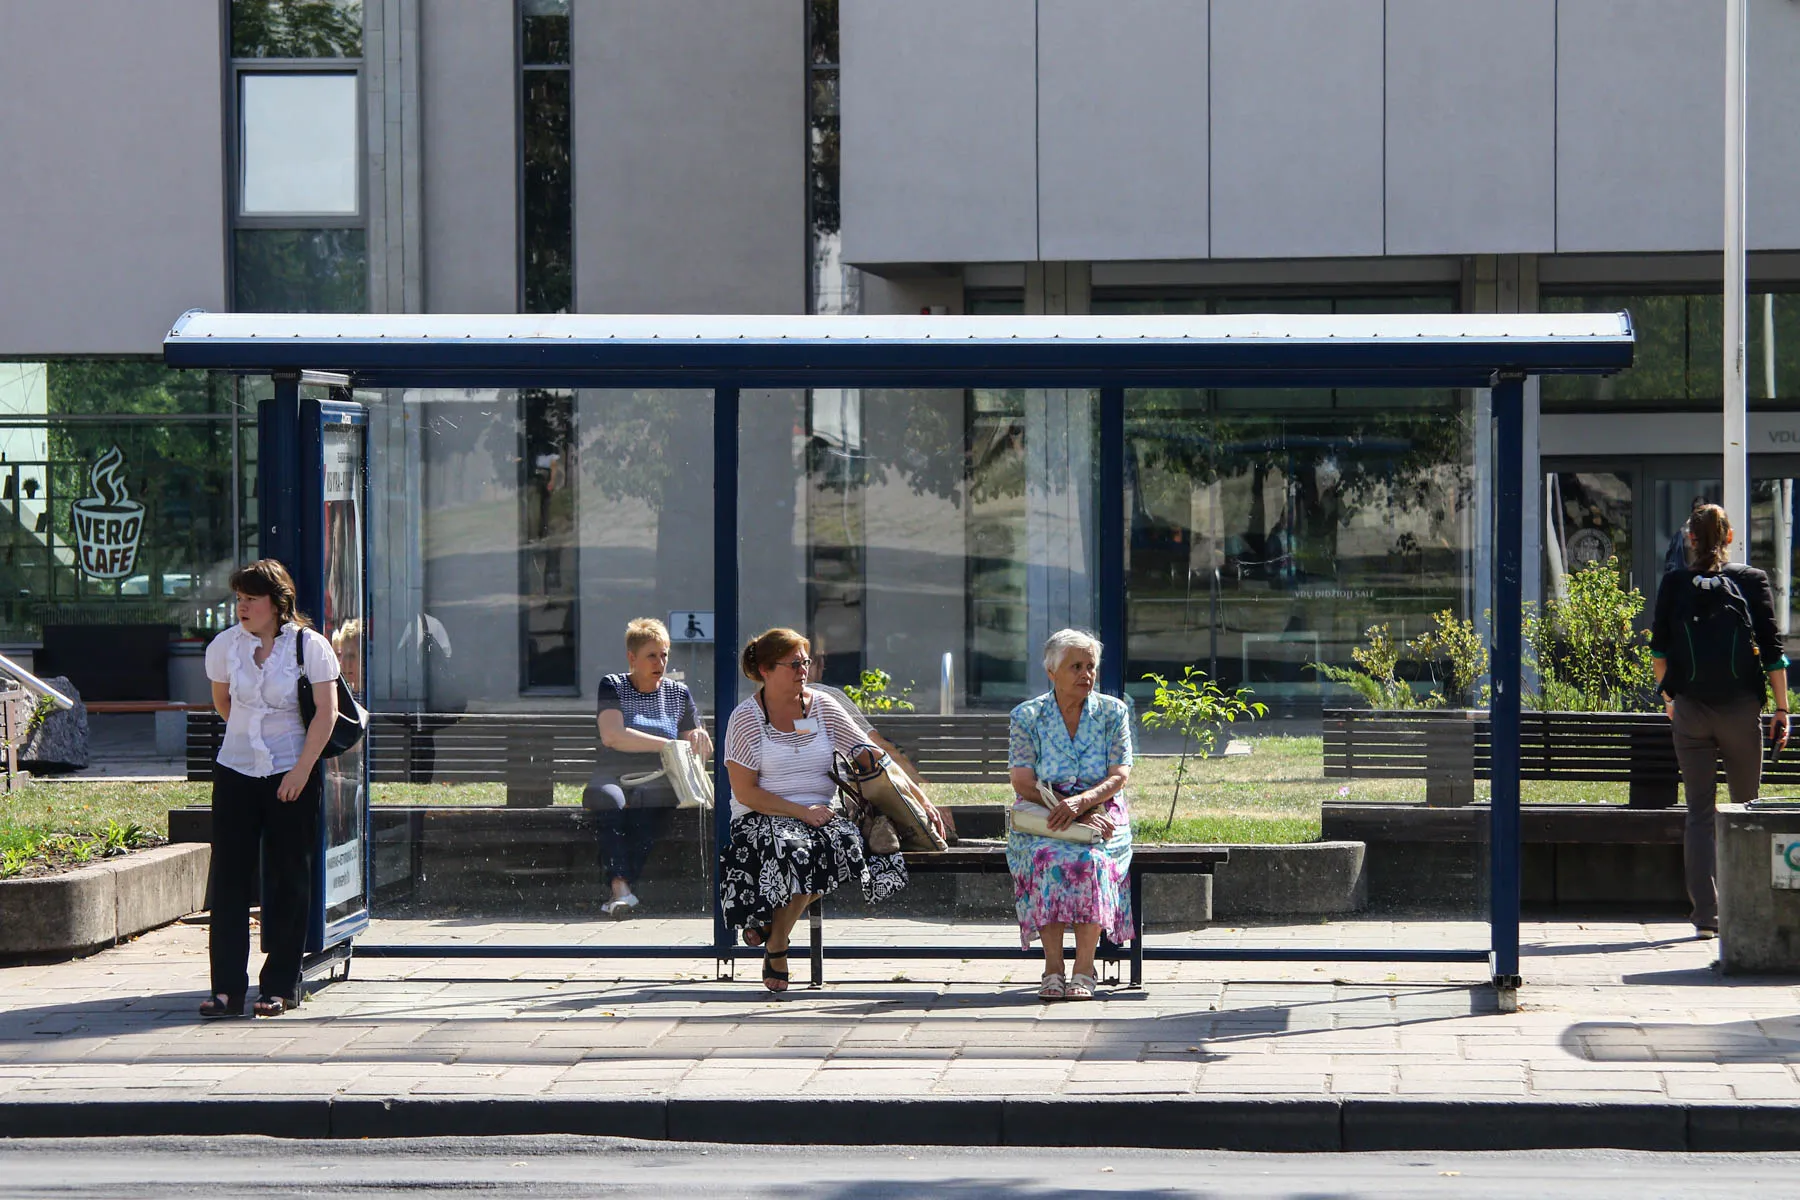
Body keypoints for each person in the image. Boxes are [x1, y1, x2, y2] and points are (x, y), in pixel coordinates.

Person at [719, 628, 935, 993]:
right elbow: (745, 792)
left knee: (844, 847)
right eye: (793, 664)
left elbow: (871, 755)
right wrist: (801, 813)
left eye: (805, 662)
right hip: (762, 815)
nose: (803, 670)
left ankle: (774, 937)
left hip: (821, 811)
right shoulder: (745, 719)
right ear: (767, 670)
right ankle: (779, 947)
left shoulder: (822, 705)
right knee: (795, 850)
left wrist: (920, 798)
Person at [199, 560, 341, 1019]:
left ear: (277, 604)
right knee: (230, 881)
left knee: (287, 878)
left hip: (291, 770)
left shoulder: (309, 646)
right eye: (238, 598)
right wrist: (249, 743)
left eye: (251, 599)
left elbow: (327, 712)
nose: (242, 607)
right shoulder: (225, 646)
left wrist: (301, 770)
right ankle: (226, 989)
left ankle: (280, 983)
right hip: (237, 770)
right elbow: (224, 702)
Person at [1651, 504, 1790, 940]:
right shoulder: (1751, 581)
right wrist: (1782, 708)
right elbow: (1772, 650)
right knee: (1745, 810)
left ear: (1691, 539)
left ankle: (1707, 918)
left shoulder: (1674, 583)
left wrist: (1672, 701)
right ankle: (1746, 908)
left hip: (1691, 711)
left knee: (1699, 814)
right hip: (1740, 711)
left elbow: (1658, 651)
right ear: (1728, 538)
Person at [1007, 628, 1134, 1001]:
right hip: (1045, 813)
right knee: (1048, 857)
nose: (1086, 674)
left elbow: (1120, 775)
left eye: (1090, 666)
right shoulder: (1027, 716)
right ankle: (1052, 968)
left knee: (1090, 861)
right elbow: (1022, 781)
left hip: (1102, 814)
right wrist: (1068, 808)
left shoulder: (1113, 712)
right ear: (1052, 672)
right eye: (1075, 666)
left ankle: (1083, 968)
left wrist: (1086, 804)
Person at [587, 618, 711, 916]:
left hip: (660, 777)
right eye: (652, 655)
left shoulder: (678, 693)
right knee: (607, 799)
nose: (661, 662)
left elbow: (693, 744)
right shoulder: (613, 685)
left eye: (665, 654)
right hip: (613, 773)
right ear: (632, 658)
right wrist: (666, 744)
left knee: (650, 798)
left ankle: (621, 887)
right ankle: (621, 887)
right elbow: (613, 736)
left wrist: (698, 735)